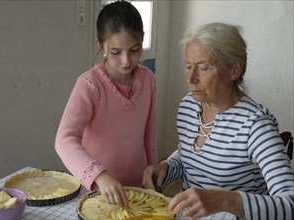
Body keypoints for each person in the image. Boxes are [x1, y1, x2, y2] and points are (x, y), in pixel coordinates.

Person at [143, 22, 294, 219]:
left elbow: (290, 204)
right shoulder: (189, 106)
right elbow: (189, 158)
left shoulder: (255, 126)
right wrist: (166, 168)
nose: (191, 78)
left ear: (234, 70)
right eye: (188, 66)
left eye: (204, 68)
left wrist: (223, 200)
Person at [55, 1, 157, 208]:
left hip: (138, 191)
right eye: (116, 52)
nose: (126, 61)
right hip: (96, 193)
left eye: (134, 50)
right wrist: (99, 176)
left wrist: (153, 172)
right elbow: (64, 140)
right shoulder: (89, 85)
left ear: (142, 40)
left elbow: (149, 135)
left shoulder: (148, 79)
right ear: (101, 45)